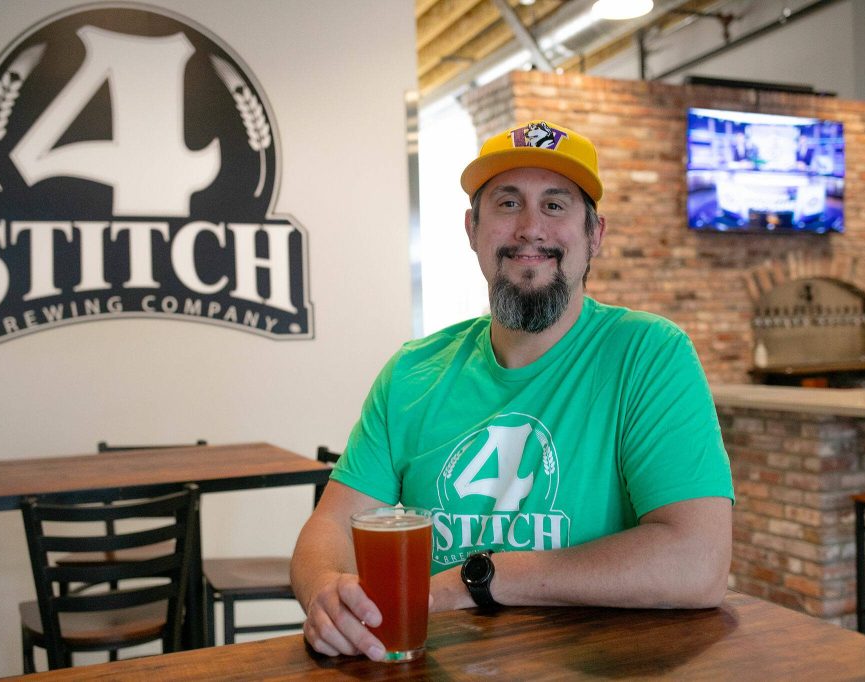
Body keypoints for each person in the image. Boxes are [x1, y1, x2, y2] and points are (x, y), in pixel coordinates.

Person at [291, 120, 735, 662]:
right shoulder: (412, 372)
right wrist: (326, 593)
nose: (530, 228)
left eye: (555, 205)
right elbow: (331, 523)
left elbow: (699, 561)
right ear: (472, 229)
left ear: (594, 234)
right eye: (506, 204)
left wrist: (477, 579)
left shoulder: (648, 354)